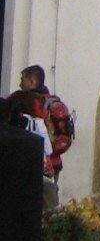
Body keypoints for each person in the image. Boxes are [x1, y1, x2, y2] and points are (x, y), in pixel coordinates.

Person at [4, 64, 74, 208]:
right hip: (51, 165)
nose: (20, 84)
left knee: (25, 207)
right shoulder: (56, 105)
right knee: (47, 205)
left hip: (27, 164)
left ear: (32, 82)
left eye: (23, 80)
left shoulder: (21, 102)